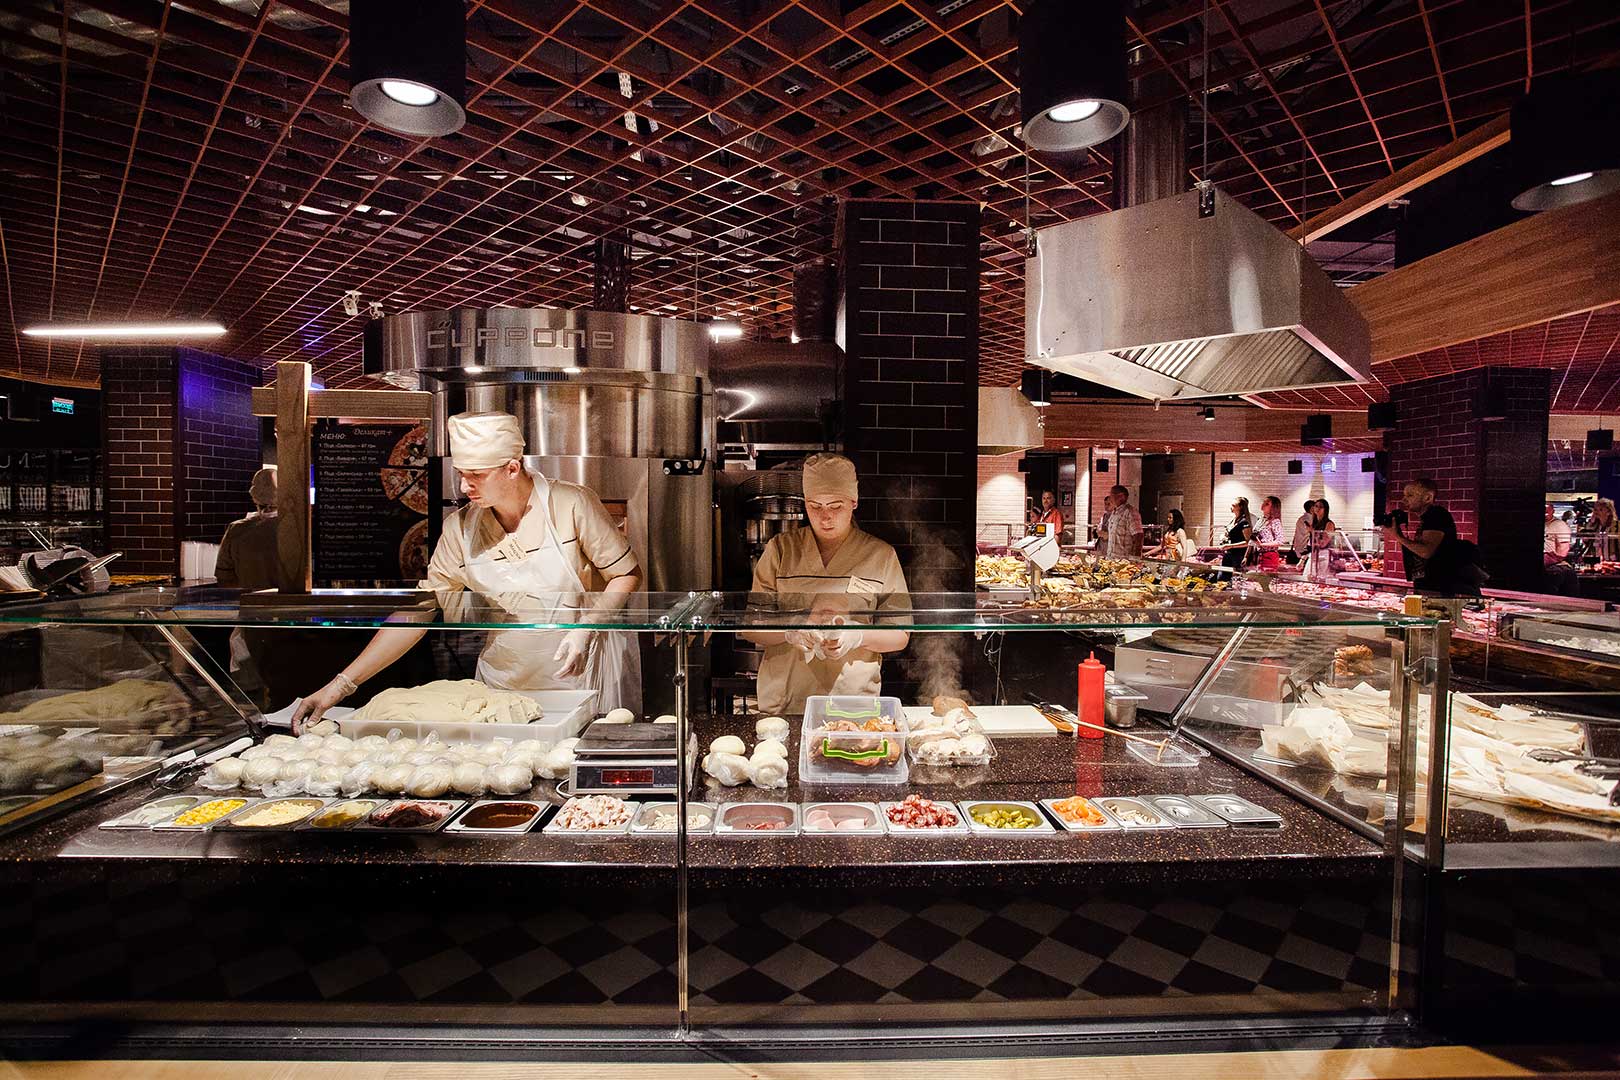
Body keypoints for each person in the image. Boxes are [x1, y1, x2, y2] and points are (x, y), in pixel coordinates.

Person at [293, 411, 644, 727]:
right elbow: (420, 612)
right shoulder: (460, 529)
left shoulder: (571, 504)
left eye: (476, 475)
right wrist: (340, 686)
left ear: (512, 468)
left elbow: (626, 574)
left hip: (579, 674)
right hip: (502, 683)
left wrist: (586, 628)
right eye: (461, 474)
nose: (464, 486)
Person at [743, 453, 911, 715]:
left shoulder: (881, 555)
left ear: (854, 502)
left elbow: (900, 635)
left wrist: (857, 635)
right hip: (787, 702)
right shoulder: (781, 550)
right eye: (815, 506)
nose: (825, 517)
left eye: (835, 506)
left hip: (852, 703)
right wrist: (791, 630)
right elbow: (751, 627)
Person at [1383, 477, 1479, 596]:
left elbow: (1426, 551)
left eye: (1410, 495)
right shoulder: (1427, 518)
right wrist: (1398, 533)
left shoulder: (1436, 515)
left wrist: (1397, 536)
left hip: (1440, 588)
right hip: (1430, 586)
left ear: (1427, 498)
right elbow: (1418, 550)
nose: (1404, 500)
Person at [214, 467, 284, 592]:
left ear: (254, 496)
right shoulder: (292, 529)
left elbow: (224, 579)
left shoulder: (235, 529)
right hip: (287, 602)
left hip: (249, 601)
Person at [1098, 485, 1143, 558]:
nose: (1110, 498)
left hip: (1124, 560)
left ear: (1121, 496)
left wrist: (1135, 559)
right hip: (1112, 559)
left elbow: (1138, 536)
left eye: (1112, 495)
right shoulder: (1114, 512)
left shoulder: (1130, 512)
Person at [1301, 499, 1338, 581]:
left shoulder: (1329, 524)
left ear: (1325, 509)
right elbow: (1310, 544)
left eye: (1321, 507)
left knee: (1320, 579)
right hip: (1313, 554)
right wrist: (1302, 560)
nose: (1317, 508)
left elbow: (1323, 543)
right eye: (1316, 506)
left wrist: (1312, 531)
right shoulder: (1314, 523)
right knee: (1307, 578)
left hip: (1323, 555)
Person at [1220, 497, 1254, 570]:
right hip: (1228, 554)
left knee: (1235, 575)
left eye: (1233, 505)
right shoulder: (1233, 520)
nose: (1231, 507)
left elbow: (1248, 542)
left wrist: (1230, 546)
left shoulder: (1244, 522)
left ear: (1240, 507)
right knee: (1223, 575)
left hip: (1238, 555)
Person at [1253, 495, 1286, 571]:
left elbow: (1280, 541)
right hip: (1258, 554)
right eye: (1264, 502)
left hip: (1269, 554)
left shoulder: (1275, 521)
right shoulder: (1261, 520)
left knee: (1267, 576)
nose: (1263, 504)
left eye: (1267, 504)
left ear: (1273, 508)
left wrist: (1262, 544)